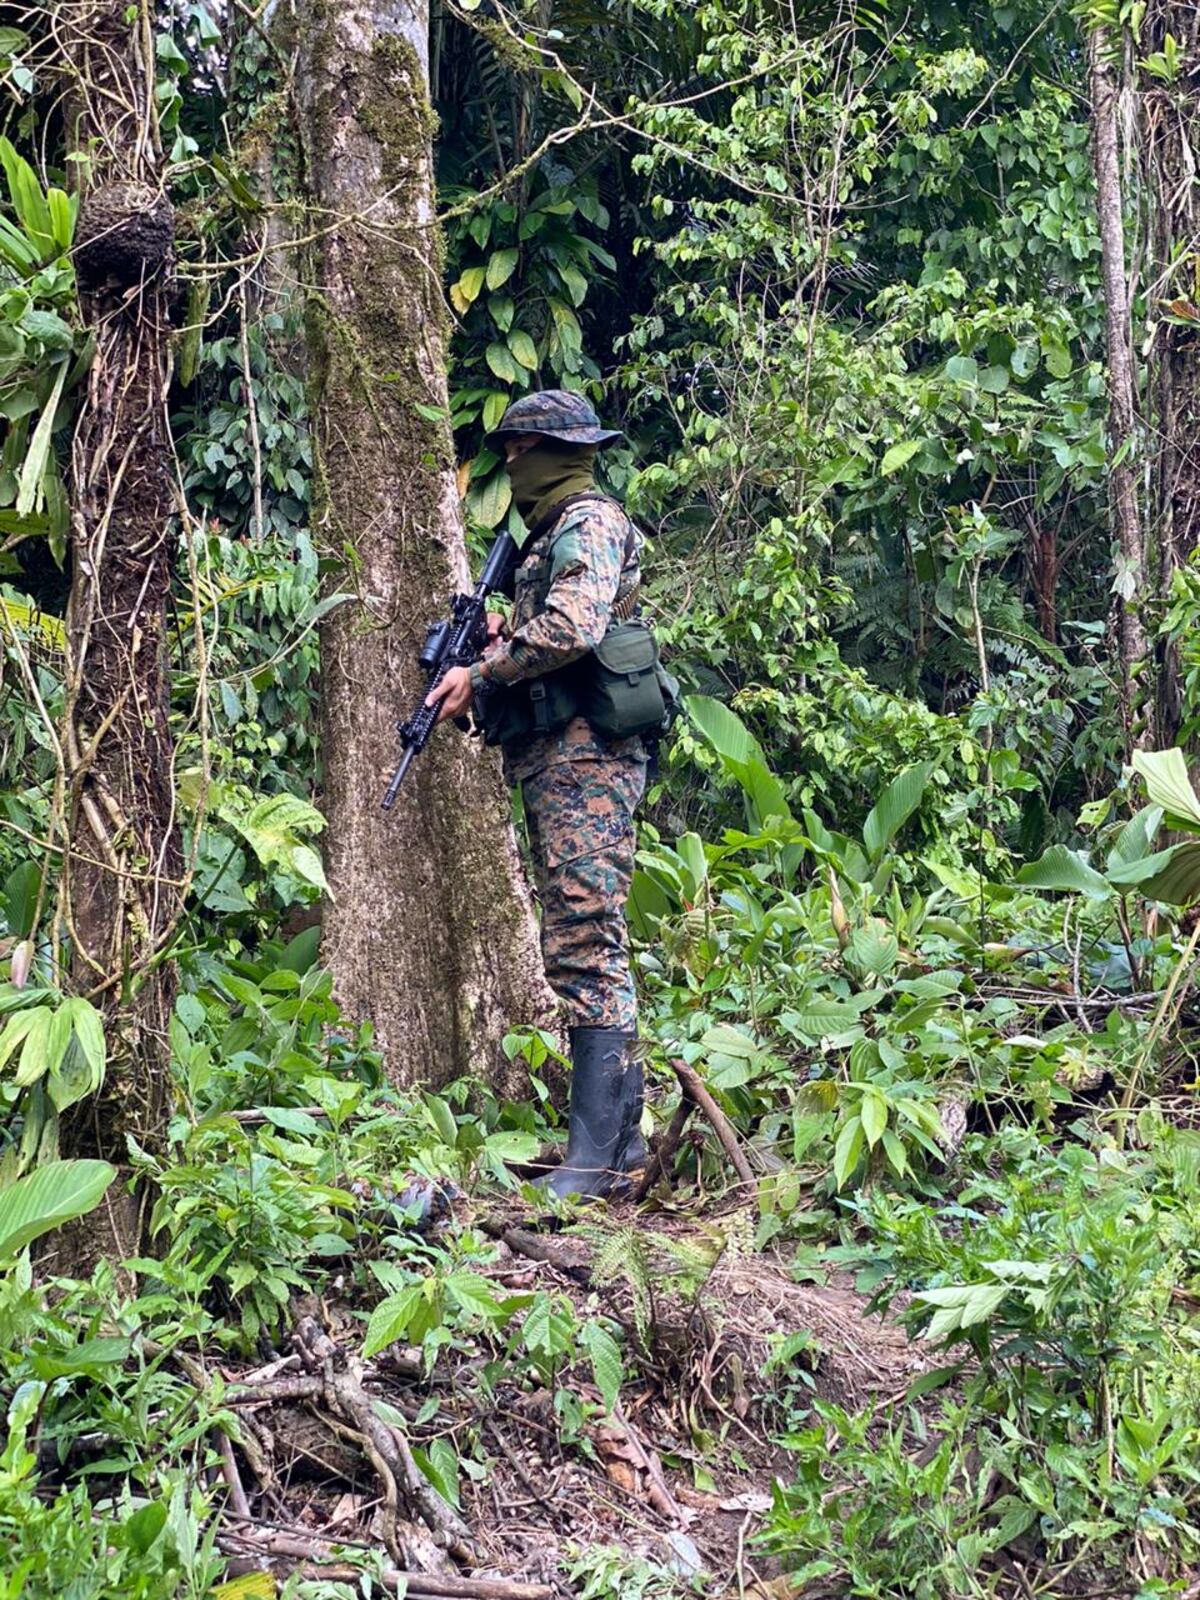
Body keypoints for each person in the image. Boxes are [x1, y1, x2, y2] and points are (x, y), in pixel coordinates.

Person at [426, 390, 647, 1200]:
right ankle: (618, 1145)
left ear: (552, 452)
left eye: (520, 454)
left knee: (586, 939)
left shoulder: (587, 520)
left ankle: (598, 1159)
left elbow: (573, 630)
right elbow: (546, 630)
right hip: (562, 759)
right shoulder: (552, 533)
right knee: (581, 940)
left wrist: (481, 671)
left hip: (589, 761)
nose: (511, 468)